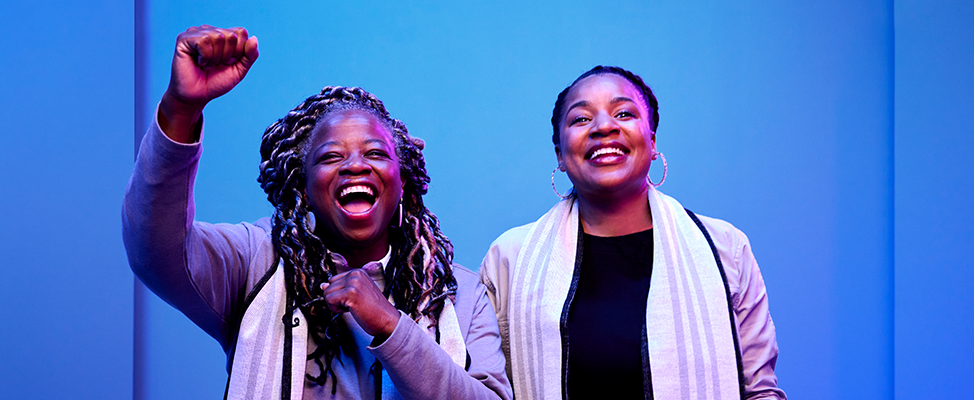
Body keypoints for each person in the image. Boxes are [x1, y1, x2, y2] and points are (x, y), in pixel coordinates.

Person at [123, 25, 511, 400]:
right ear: (303, 189)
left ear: (403, 180)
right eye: (330, 157)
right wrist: (181, 108)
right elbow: (155, 249)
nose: (355, 166)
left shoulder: (459, 294)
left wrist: (392, 326)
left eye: (375, 153)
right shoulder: (254, 263)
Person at [479, 66, 785, 399]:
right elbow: (487, 391)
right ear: (560, 156)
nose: (604, 127)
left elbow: (760, 392)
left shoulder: (725, 248)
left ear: (652, 140)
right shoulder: (509, 258)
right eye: (581, 119)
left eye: (623, 113)